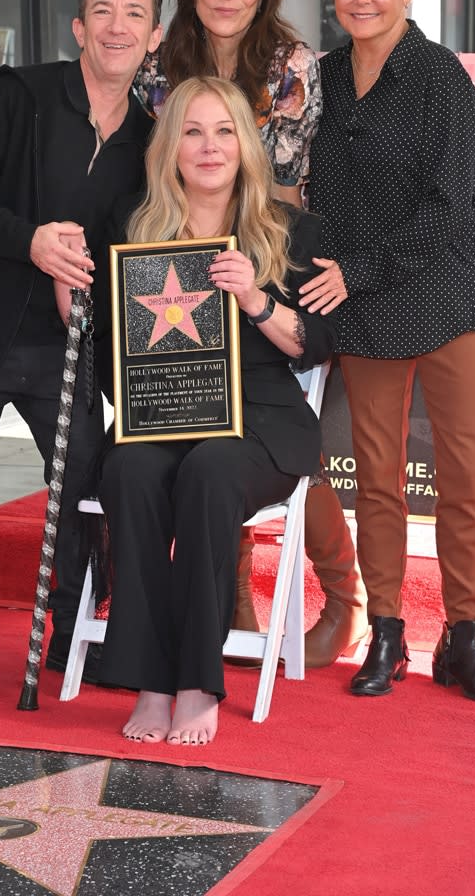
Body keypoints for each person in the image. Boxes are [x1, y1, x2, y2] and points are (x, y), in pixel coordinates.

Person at [0, 0, 163, 694]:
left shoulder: (151, 140)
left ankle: (69, 628)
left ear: (154, 36)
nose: (117, 27)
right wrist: (33, 245)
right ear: (79, 27)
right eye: (103, 11)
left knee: (84, 480)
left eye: (135, 14)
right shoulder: (19, 92)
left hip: (65, 340)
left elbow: (128, 244)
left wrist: (81, 284)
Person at [133, 0, 367, 668]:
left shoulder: (291, 64)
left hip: (263, 261)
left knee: (270, 419)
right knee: (185, 427)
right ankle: (226, 594)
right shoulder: (157, 63)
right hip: (179, 274)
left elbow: (285, 189)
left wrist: (266, 281)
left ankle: (345, 595)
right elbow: (156, 171)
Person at [82, 76, 337, 744]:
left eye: (224, 131)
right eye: (192, 132)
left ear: (245, 146)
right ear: (170, 147)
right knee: (129, 471)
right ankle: (150, 679)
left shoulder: (289, 230)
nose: (209, 146)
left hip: (262, 422)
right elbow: (111, 347)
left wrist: (256, 300)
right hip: (166, 411)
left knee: (212, 472)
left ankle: (197, 678)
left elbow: (317, 348)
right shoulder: (133, 227)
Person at [301, 0, 475, 704]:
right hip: (364, 303)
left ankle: (463, 639)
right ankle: (384, 632)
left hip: (449, 294)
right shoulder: (317, 81)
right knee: (378, 481)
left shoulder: (443, 79)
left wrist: (357, 270)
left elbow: (449, 204)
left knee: (462, 480)